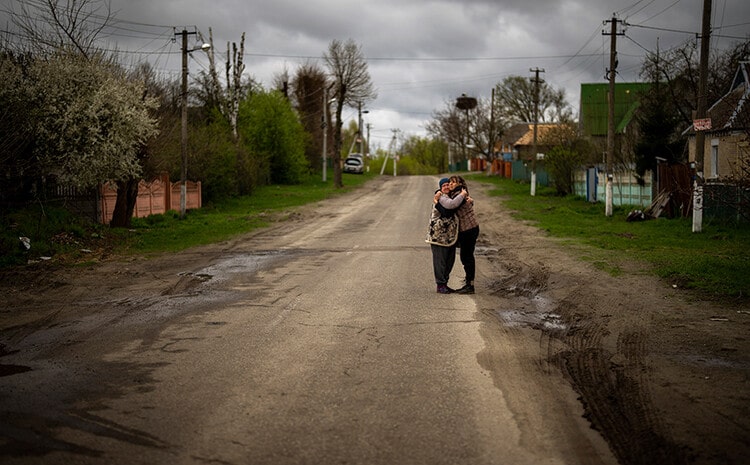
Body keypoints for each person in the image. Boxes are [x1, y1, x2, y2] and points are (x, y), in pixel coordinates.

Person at [426, 178, 466, 294]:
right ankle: (440, 284)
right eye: (444, 185)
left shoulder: (451, 197)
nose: (447, 187)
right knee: (440, 261)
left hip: (449, 237)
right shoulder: (441, 198)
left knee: (450, 260)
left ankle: (445, 283)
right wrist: (463, 196)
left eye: (448, 184)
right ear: (440, 188)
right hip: (438, 236)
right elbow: (448, 211)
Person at [449, 175, 479, 294]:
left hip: (469, 229)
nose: (451, 184)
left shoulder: (459, 195)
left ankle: (470, 285)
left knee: (467, 257)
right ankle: (468, 281)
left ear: (459, 184)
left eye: (454, 182)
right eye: (450, 182)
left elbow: (451, 206)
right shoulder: (459, 193)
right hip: (468, 229)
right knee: (466, 256)